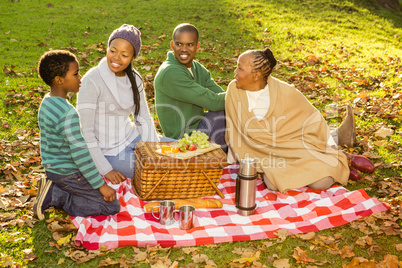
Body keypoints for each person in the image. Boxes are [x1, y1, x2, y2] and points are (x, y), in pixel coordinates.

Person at [225, 48, 371, 193]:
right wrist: (234, 156)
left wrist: (330, 147)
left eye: (240, 68)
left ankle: (339, 161)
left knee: (322, 183)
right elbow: (235, 130)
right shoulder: (233, 90)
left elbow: (314, 119)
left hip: (295, 147)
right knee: (272, 184)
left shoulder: (285, 92)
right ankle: (335, 167)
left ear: (256, 75)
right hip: (266, 157)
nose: (235, 72)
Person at [34, 50, 120, 220]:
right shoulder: (68, 114)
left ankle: (56, 188)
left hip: (53, 169)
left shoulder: (47, 102)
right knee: (110, 205)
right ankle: (56, 195)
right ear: (59, 80)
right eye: (75, 74)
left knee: (97, 192)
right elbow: (79, 154)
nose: (80, 77)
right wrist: (100, 185)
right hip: (68, 172)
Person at [77, 24, 162, 182]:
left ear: (132, 58)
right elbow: (85, 132)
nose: (116, 58)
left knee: (176, 153)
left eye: (124, 54)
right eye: (113, 51)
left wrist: (154, 148)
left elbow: (142, 116)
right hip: (109, 152)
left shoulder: (134, 78)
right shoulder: (92, 80)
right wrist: (106, 169)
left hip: (132, 137)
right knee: (155, 170)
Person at [154, 23, 227, 150]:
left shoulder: (197, 68)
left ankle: (232, 155)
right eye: (179, 44)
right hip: (183, 140)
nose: (184, 49)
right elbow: (215, 103)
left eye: (189, 44)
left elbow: (219, 94)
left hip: (199, 127)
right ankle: (220, 160)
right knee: (221, 111)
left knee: (230, 108)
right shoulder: (170, 72)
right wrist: (245, 92)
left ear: (197, 46)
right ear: (172, 45)